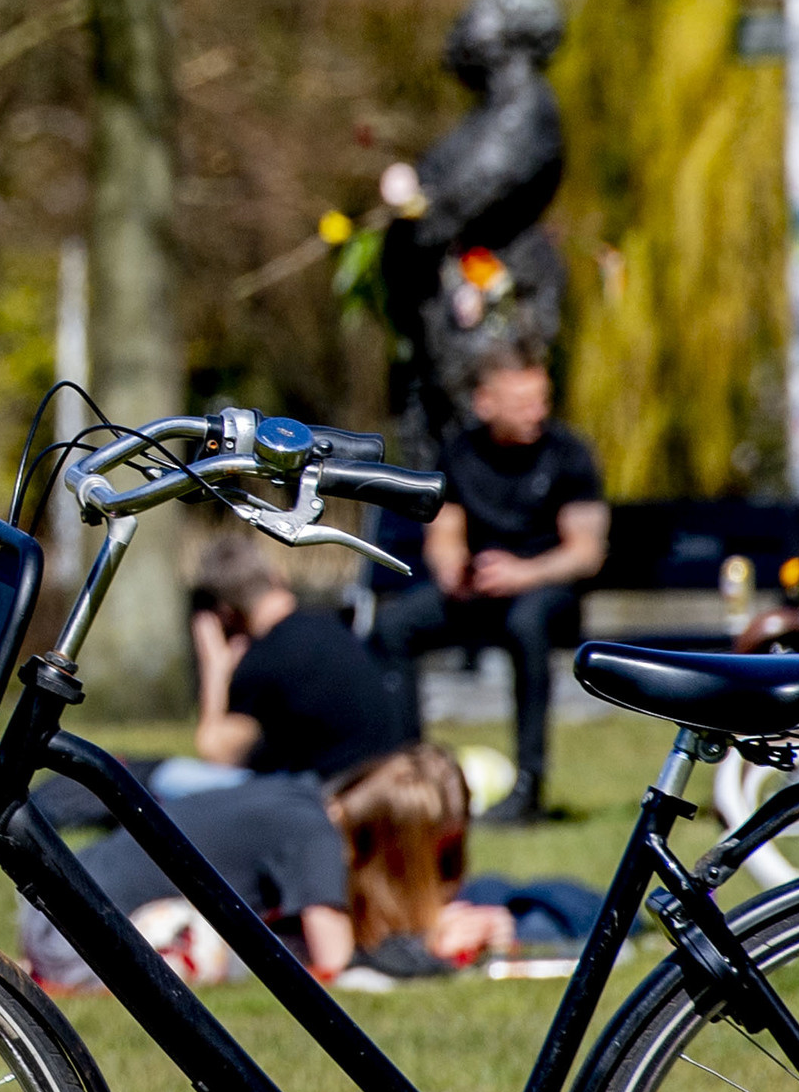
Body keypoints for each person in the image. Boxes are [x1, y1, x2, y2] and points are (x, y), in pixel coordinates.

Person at [369, 349, 608, 824]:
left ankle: (528, 789)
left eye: (541, 400)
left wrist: (524, 573)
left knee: (526, 623)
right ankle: (409, 777)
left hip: (548, 589)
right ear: (485, 403)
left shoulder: (568, 453)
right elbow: (444, 535)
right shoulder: (460, 454)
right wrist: (452, 569)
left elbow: (585, 552)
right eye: (522, 402)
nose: (535, 412)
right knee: (394, 627)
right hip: (478, 591)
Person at [180, 534, 419, 791]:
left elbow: (215, 753)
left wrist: (215, 668)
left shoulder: (265, 660)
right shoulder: (330, 626)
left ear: (225, 614)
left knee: (176, 780)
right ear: (277, 578)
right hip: (384, 784)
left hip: (340, 798)